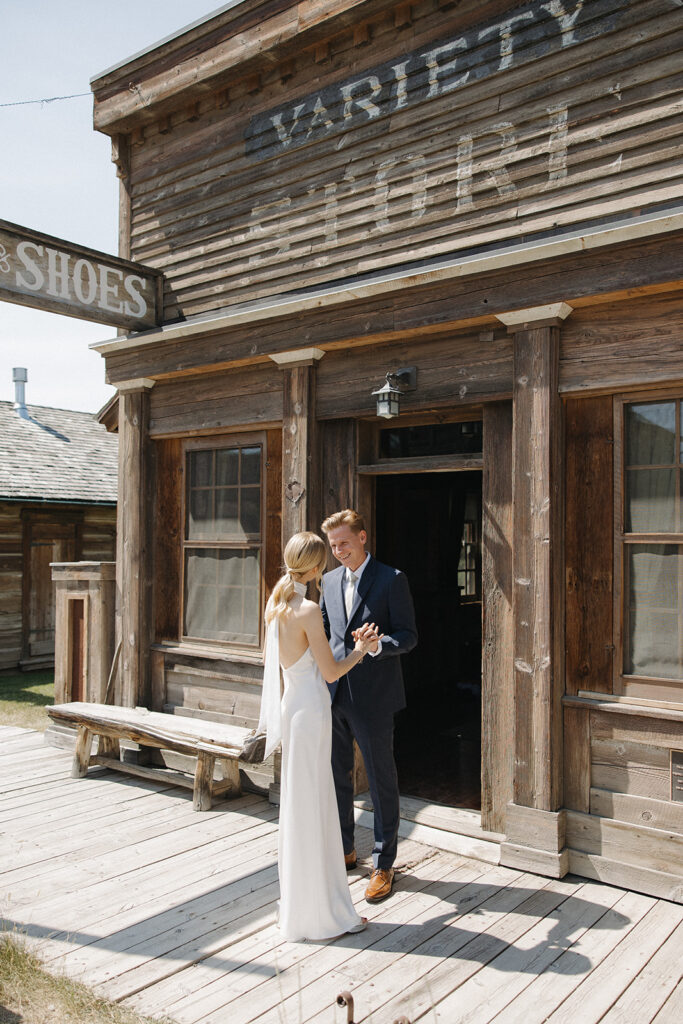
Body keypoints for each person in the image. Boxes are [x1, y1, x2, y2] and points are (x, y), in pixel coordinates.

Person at [257, 531, 380, 942]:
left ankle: (302, 906)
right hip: (311, 708)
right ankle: (324, 912)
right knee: (317, 803)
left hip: (295, 706)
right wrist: (361, 649)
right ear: (314, 569)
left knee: (302, 803)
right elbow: (331, 672)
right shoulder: (307, 610)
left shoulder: (276, 606)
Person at [320, 509, 417, 904]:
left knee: (380, 781)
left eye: (344, 542)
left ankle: (383, 863)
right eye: (332, 545)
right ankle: (346, 848)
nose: (339, 551)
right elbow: (326, 633)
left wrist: (377, 646)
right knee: (336, 777)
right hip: (333, 695)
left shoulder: (392, 579)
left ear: (362, 537)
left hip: (375, 697)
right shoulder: (326, 581)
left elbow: (409, 636)